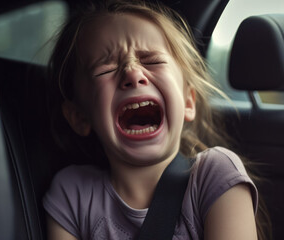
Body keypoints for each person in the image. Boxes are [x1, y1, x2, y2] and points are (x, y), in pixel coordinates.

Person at [43, 1, 265, 239]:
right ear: (79, 117)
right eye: (105, 69)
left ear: (188, 102)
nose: (132, 73)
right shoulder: (72, 194)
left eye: (152, 61)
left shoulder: (214, 175)